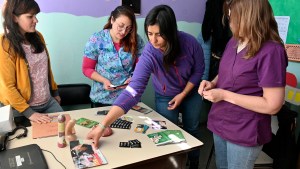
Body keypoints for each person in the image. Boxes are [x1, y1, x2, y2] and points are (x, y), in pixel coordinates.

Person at [86, 5, 205, 168]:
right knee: (168, 132)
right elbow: (132, 91)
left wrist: (183, 94)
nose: (153, 40)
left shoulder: (190, 42)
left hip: (191, 92)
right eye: (150, 34)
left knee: (192, 129)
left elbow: (199, 70)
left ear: (170, 31)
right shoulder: (149, 52)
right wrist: (102, 125)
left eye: (159, 35)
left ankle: (194, 162)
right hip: (165, 95)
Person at [198, 0, 288, 168]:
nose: (230, 23)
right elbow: (227, 71)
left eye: (234, 18)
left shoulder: (271, 51)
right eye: (230, 16)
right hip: (221, 120)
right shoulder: (234, 42)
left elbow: (272, 105)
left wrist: (224, 94)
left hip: (245, 129)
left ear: (250, 18)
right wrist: (212, 83)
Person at [0, 0, 63, 124]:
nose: (36, 20)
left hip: (48, 102)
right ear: (14, 18)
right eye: (30, 16)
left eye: (36, 16)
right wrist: (30, 113)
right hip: (21, 109)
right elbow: (7, 87)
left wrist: (54, 91)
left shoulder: (38, 36)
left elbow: (45, 68)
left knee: (67, 131)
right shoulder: (4, 44)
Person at [82, 5, 144, 108]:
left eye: (128, 28)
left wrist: (133, 78)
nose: (124, 31)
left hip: (128, 96)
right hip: (101, 97)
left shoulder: (136, 40)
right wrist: (104, 81)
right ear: (112, 20)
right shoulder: (96, 39)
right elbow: (87, 68)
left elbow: (142, 66)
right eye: (121, 26)